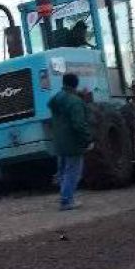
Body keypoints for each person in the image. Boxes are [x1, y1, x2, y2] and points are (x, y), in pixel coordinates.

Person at [48, 73, 92, 211]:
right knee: (73, 172)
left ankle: (66, 198)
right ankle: (66, 201)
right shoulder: (75, 102)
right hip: (73, 142)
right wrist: (88, 139)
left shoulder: (56, 98)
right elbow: (79, 124)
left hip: (59, 141)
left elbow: (56, 103)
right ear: (76, 84)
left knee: (63, 171)